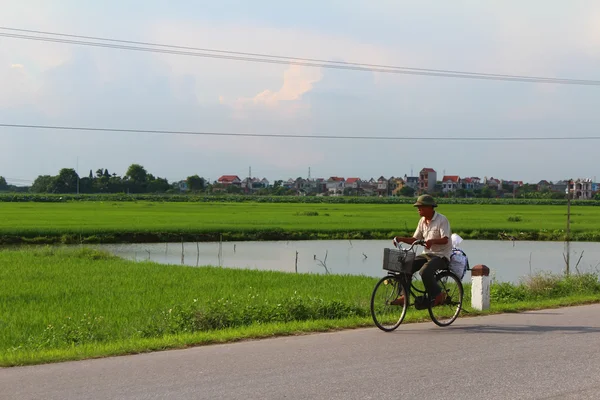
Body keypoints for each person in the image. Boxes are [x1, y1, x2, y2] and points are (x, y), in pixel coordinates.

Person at [391, 194, 452, 307]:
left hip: (441, 256)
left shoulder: (442, 220)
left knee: (425, 271)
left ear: (430, 207)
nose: (419, 209)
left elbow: (445, 240)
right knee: (406, 267)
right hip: (427, 254)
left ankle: (438, 294)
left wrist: (432, 241)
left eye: (421, 207)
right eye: (418, 207)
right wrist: (400, 239)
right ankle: (404, 296)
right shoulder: (422, 221)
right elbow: (415, 239)